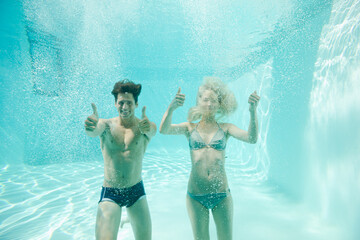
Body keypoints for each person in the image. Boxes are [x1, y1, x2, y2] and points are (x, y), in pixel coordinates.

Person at [159, 77, 260, 240]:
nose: (209, 104)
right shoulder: (189, 127)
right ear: (199, 101)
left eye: (213, 100)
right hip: (195, 196)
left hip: (221, 195)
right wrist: (172, 108)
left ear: (219, 104)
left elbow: (252, 138)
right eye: (205, 100)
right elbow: (164, 130)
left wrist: (252, 110)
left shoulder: (226, 128)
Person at [84, 79, 156, 240]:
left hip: (135, 191)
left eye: (129, 103)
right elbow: (94, 131)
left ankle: (128, 218)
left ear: (136, 104)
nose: (125, 107)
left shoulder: (143, 126)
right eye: (121, 103)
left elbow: (152, 131)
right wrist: (91, 126)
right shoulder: (106, 125)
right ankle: (123, 218)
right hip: (111, 192)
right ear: (115, 104)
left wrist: (148, 127)